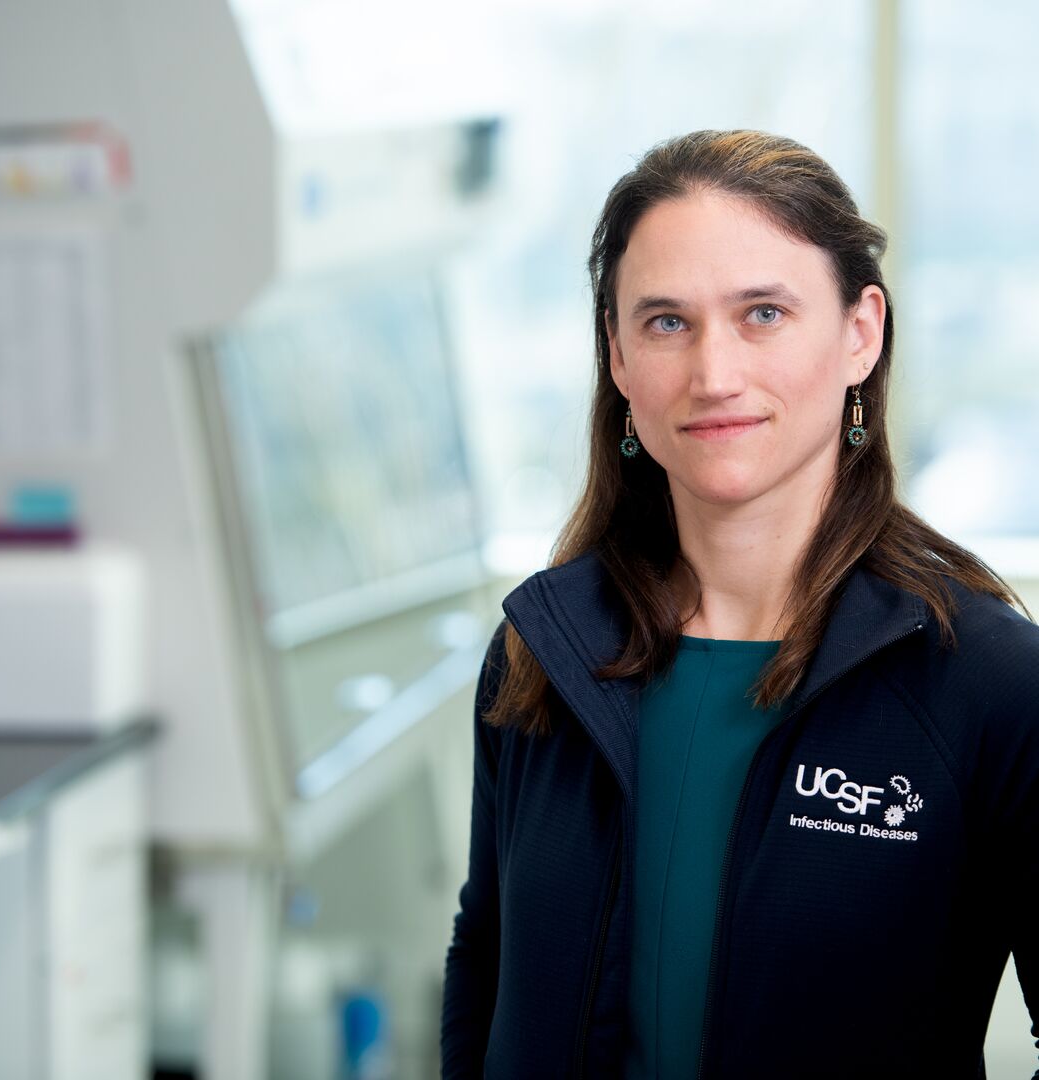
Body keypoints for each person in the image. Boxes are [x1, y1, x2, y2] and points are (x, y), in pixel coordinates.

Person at [440, 129, 1039, 1079]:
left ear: (860, 333)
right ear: (620, 357)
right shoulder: (541, 653)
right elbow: (486, 957)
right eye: (667, 322)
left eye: (762, 313)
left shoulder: (989, 681)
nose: (714, 375)